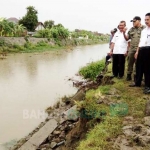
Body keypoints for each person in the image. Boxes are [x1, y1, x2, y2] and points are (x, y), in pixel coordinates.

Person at [130, 13, 150, 94]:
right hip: (141, 49)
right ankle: (137, 82)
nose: (146, 21)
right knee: (139, 67)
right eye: (145, 20)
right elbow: (140, 41)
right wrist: (137, 51)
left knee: (148, 69)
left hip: (149, 49)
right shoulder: (144, 30)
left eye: (148, 19)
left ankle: (148, 86)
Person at [123, 16, 145, 81]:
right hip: (132, 49)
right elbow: (127, 38)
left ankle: (136, 76)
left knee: (138, 63)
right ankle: (129, 75)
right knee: (130, 62)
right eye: (132, 21)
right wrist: (124, 33)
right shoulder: (131, 29)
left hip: (140, 48)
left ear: (139, 21)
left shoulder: (144, 28)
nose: (133, 23)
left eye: (134, 21)